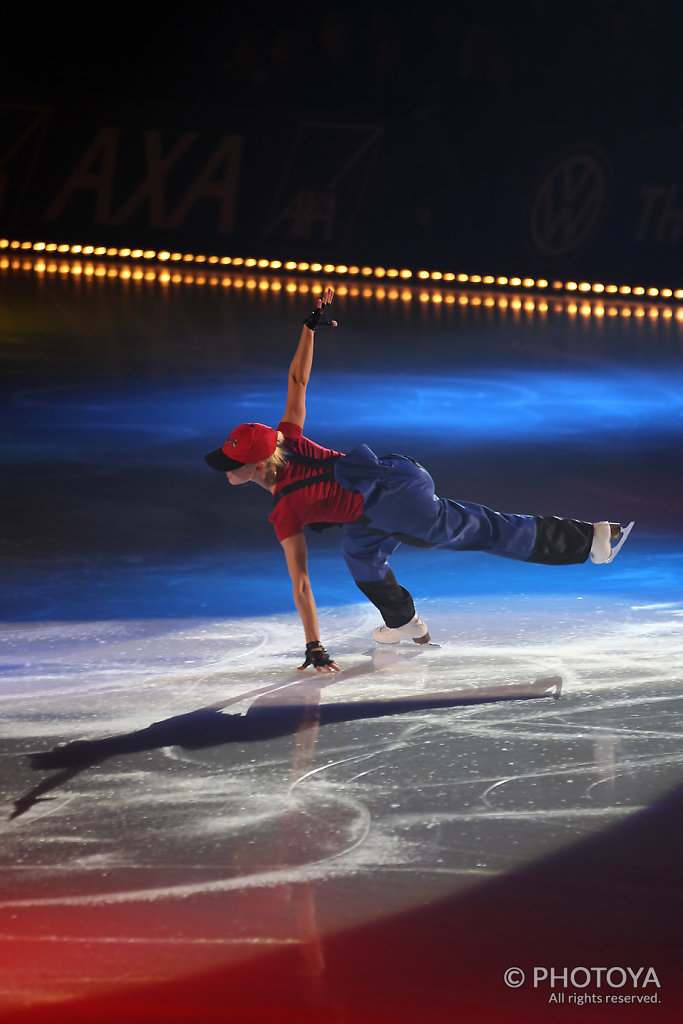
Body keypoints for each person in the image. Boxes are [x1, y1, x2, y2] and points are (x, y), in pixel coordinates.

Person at [205, 287, 634, 673]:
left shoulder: (285, 510)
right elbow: (297, 381)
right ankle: (403, 622)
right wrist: (309, 327)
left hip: (397, 502)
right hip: (390, 478)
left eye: (232, 463)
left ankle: (589, 539)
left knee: (484, 530)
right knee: (359, 553)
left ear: (260, 466)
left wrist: (315, 645)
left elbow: (300, 582)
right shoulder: (290, 439)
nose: (226, 468)